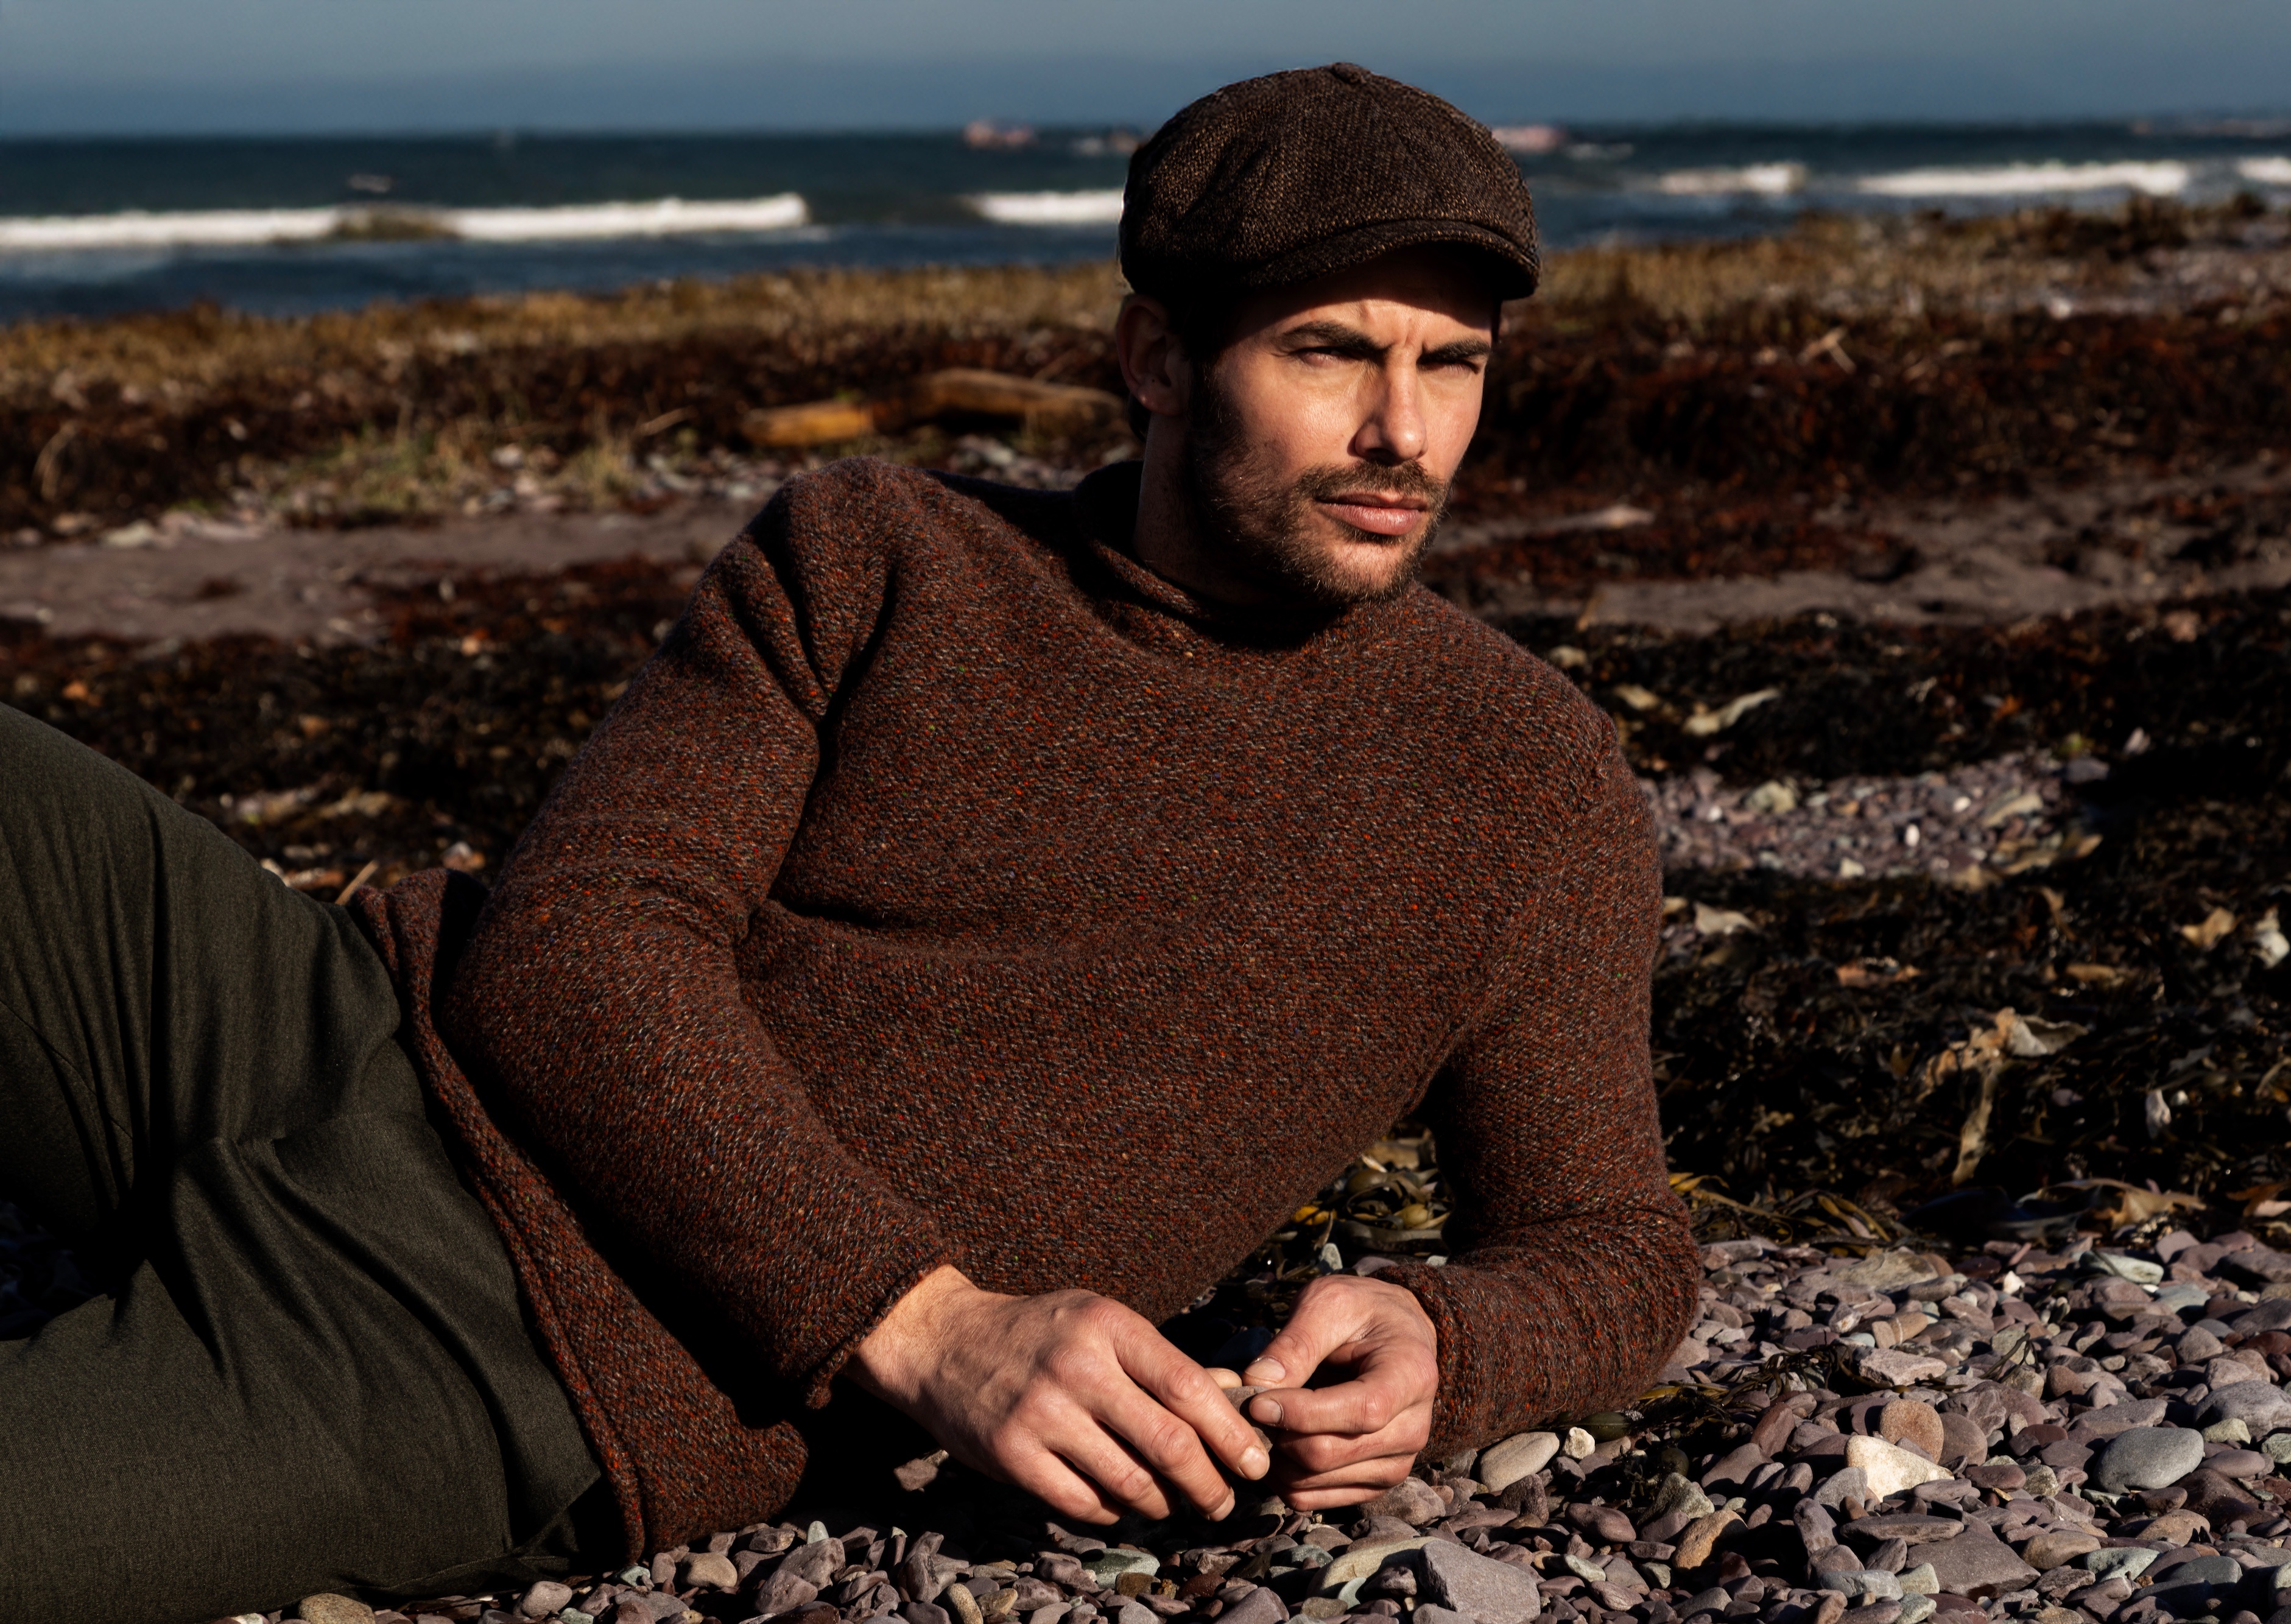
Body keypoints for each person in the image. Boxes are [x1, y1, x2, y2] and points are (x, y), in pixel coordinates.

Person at [0, 62, 1699, 1623]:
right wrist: (928, 1323)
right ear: (1158, 359)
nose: (1406, 431)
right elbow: (577, 932)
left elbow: (1613, 1244)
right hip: (325, 1024)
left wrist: (1450, 1345)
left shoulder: (1527, 784)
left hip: (515, 1354)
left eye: (1455, 362)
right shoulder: (883, 550)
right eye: (1330, 352)